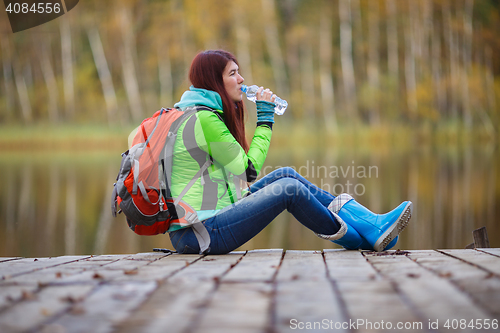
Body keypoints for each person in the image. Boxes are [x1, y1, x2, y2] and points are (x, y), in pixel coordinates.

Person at [168, 49, 412, 254]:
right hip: (201, 235)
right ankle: (362, 240)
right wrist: (265, 117)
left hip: (202, 224)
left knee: (286, 174)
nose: (242, 79)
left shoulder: (197, 112)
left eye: (239, 71)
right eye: (233, 73)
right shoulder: (203, 119)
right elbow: (248, 171)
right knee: (289, 190)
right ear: (214, 81)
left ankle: (370, 225)